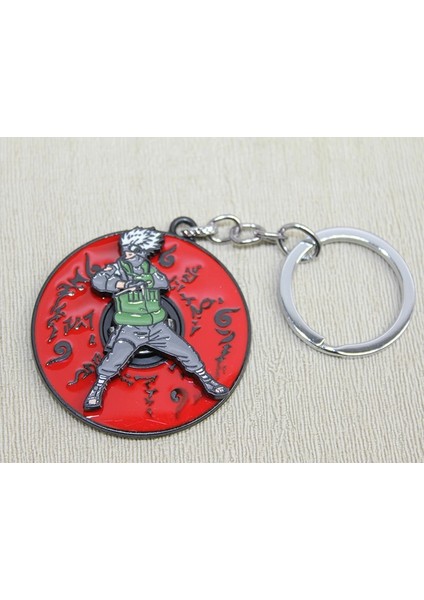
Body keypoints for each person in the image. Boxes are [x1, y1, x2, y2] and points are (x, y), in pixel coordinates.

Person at [84, 226, 229, 411]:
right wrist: (123, 284)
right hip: (130, 327)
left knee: (186, 352)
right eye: (126, 251)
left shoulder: (149, 269)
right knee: (114, 360)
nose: (127, 255)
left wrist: (146, 281)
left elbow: (163, 282)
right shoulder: (117, 268)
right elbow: (98, 281)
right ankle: (96, 390)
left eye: (131, 251)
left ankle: (208, 382)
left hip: (157, 327)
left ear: (140, 251)